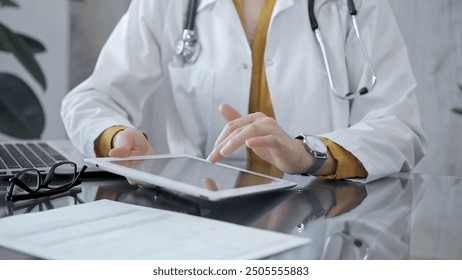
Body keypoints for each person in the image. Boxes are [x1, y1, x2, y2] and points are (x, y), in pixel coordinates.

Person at [61, 0, 426, 183]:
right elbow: (90, 99)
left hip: (321, 217)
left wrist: (309, 154)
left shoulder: (354, 5)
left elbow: (399, 126)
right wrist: (116, 137)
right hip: (201, 220)